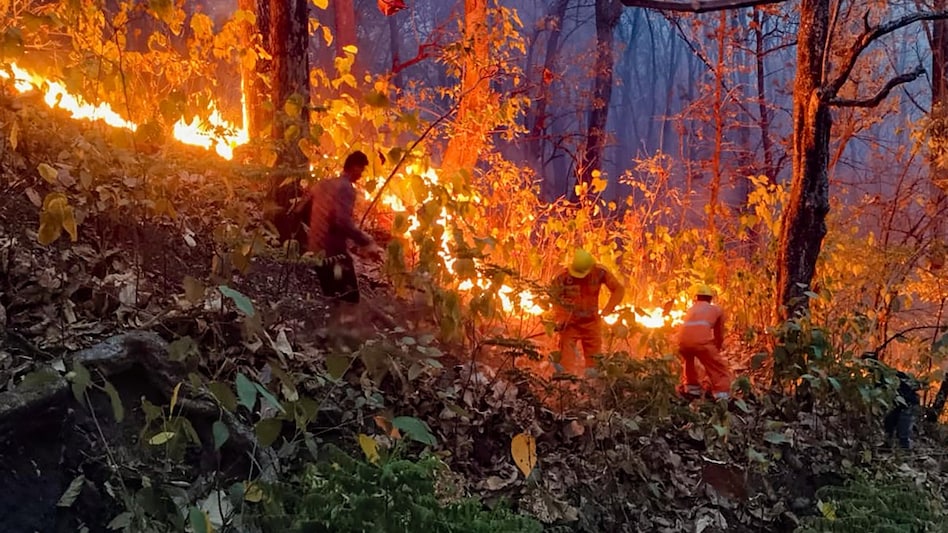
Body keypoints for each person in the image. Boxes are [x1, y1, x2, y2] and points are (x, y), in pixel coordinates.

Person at [301, 151, 384, 322]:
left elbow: (302, 210)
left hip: (315, 250)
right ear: (354, 167)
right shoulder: (346, 188)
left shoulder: (323, 184)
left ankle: (328, 334)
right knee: (350, 297)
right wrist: (366, 242)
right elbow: (342, 222)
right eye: (361, 170)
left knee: (331, 295)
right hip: (334, 254)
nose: (361, 175)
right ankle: (343, 337)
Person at [550, 249, 624, 375]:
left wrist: (608, 308)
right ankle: (565, 386)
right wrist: (560, 317)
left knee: (594, 362)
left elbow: (618, 289)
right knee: (565, 361)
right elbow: (553, 297)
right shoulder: (562, 277)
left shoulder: (600, 272)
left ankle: (590, 387)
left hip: (592, 323)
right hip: (570, 324)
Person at [677, 284, 732, 400]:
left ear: (696, 298)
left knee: (689, 362)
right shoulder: (716, 309)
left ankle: (692, 389)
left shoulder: (691, 309)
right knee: (717, 367)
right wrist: (717, 347)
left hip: (682, 342)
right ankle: (722, 396)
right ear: (710, 298)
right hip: (701, 342)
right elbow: (719, 333)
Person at [861, 351, 921, 450]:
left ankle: (906, 455)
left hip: (908, 403)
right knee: (889, 422)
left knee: (903, 431)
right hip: (899, 403)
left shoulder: (884, 374)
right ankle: (888, 445)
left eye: (867, 363)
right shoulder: (880, 374)